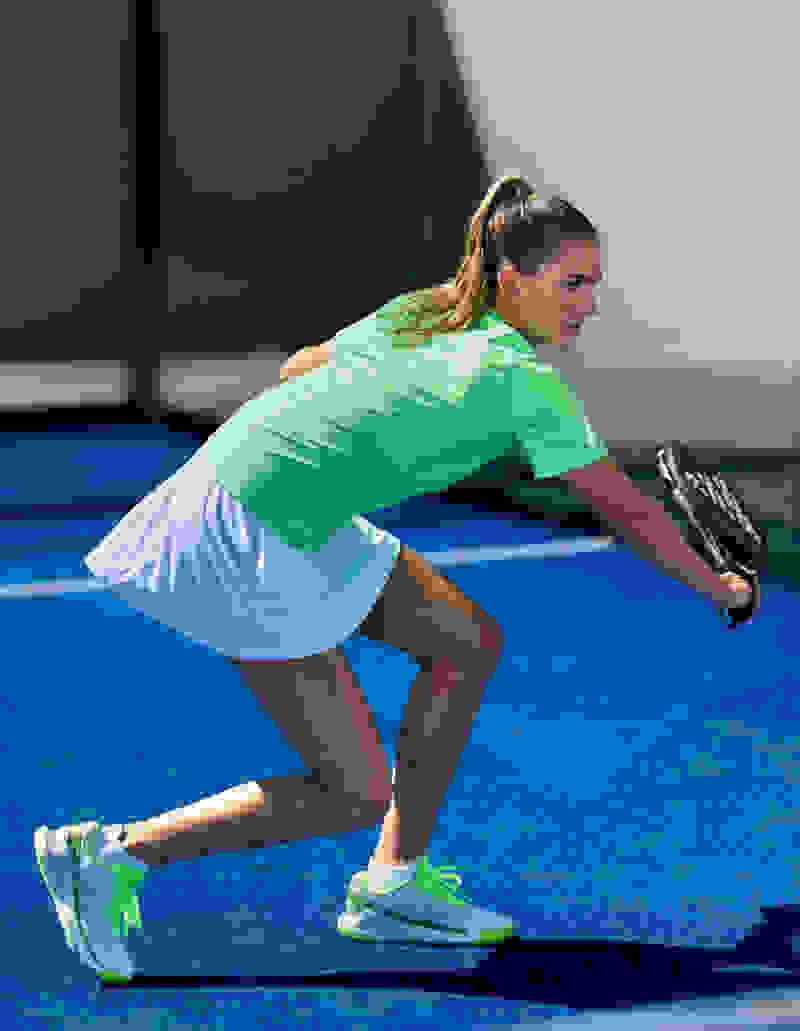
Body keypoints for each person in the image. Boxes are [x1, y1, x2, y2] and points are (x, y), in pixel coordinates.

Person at [34, 174, 750, 981]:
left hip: (265, 490)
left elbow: (301, 369)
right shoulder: (524, 382)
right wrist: (722, 588)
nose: (588, 302)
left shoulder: (429, 310)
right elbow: (633, 513)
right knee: (352, 789)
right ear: (515, 278)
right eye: (573, 282)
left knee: (464, 641)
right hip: (250, 530)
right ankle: (107, 855)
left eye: (595, 284)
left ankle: (392, 884)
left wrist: (342, 444)